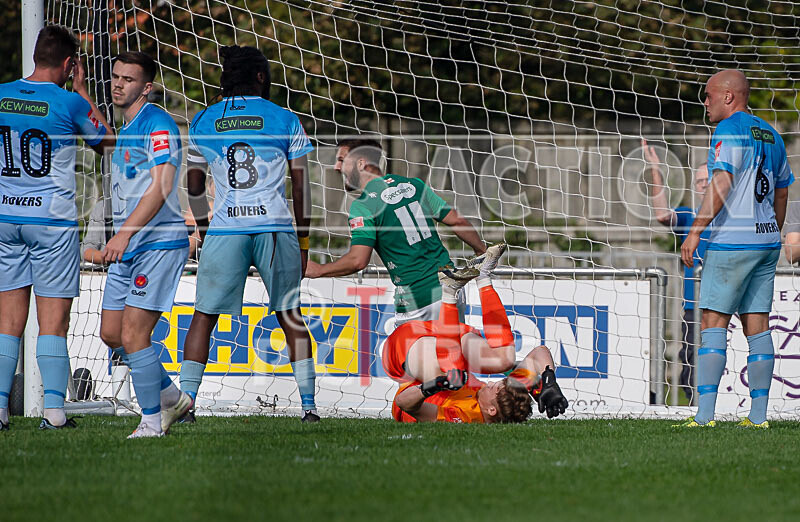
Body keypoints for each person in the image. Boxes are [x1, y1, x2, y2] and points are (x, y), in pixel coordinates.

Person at [180, 45, 319, 422]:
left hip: (226, 228)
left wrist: (205, 227)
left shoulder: (205, 120)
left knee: (204, 316)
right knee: (291, 314)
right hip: (273, 229)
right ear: (260, 76)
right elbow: (302, 187)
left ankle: (187, 404)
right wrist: (304, 242)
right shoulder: (285, 118)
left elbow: (194, 184)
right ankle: (308, 407)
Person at [0, 25, 114, 431]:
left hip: (6, 219)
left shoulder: (2, 94)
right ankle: (54, 412)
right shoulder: (68, 102)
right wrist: (82, 91)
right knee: (53, 323)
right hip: (51, 223)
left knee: (8, 322)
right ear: (69, 64)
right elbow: (108, 142)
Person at [677, 69, 793, 429]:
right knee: (757, 325)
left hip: (732, 242)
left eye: (709, 95)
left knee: (712, 321)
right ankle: (757, 419)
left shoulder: (728, 130)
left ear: (729, 96)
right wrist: (771, 227)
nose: (705, 102)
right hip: (766, 240)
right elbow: (784, 190)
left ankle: (704, 417)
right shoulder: (772, 134)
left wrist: (696, 231)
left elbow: (722, 180)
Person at [98, 51, 192, 438]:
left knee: (136, 335)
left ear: (146, 87)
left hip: (158, 245)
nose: (119, 84)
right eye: (116, 77)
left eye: (129, 79)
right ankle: (173, 398)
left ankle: (152, 422)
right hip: (132, 247)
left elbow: (162, 187)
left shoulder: (157, 123)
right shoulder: (127, 125)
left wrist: (123, 233)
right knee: (110, 333)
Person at [304, 138, 488, 324]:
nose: (336, 166)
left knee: (399, 352)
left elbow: (358, 260)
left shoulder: (364, 206)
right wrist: (482, 252)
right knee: (454, 349)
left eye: (342, 160)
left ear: (360, 163)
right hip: (451, 290)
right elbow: (457, 220)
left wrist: (319, 270)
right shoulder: (415, 185)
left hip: (417, 299)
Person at [386, 253, 569, 423]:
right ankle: (483, 277)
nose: (490, 382)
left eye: (493, 388)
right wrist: (548, 380)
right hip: (444, 335)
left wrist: (433, 386)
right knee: (504, 360)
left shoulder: (462, 416)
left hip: (405, 349)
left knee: (450, 373)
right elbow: (539, 353)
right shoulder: (499, 397)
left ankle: (449, 293)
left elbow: (404, 403)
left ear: (491, 410)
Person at [642, 140, 710, 402]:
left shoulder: (730, 215)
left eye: (708, 180)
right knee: (689, 363)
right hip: (693, 305)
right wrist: (656, 170)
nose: (703, 185)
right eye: (699, 181)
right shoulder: (688, 215)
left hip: (725, 302)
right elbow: (662, 214)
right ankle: (696, 406)